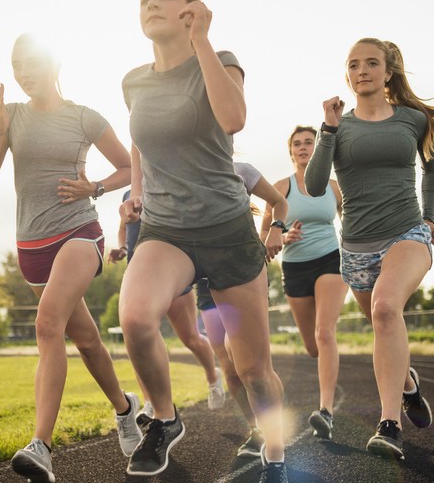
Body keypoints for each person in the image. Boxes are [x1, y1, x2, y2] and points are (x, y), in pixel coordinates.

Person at [118, 0, 290, 483]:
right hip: (167, 229)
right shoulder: (134, 81)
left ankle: (275, 456)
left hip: (228, 232)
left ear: (191, 7)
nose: (151, 4)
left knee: (253, 369)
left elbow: (234, 118)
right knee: (135, 316)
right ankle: (165, 419)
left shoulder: (220, 57)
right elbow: (140, 143)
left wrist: (202, 41)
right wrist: (137, 192)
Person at [0, 32, 142, 483]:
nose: (24, 72)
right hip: (31, 247)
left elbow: (129, 166)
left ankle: (41, 446)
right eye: (17, 65)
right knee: (86, 339)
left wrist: (97, 188)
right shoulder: (11, 117)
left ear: (53, 65)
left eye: (31, 63)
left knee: (47, 324)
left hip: (79, 233)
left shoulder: (84, 118)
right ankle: (125, 409)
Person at [305, 37, 434, 460]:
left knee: (385, 309)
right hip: (356, 247)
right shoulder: (340, 127)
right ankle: (407, 383)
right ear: (348, 75)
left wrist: (428, 219)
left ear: (387, 72)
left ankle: (389, 425)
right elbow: (316, 185)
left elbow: (432, 168)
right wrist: (328, 129)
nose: (362, 70)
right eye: (353, 64)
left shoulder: (412, 120)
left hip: (406, 233)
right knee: (383, 325)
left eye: (371, 63)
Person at [195, 161, 289, 458]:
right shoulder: (181, 173)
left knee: (254, 368)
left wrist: (276, 229)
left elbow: (279, 201)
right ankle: (256, 429)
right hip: (205, 283)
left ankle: (275, 435)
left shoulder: (240, 170)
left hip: (240, 274)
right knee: (229, 367)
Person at [262, 126, 349, 441]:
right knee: (313, 347)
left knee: (325, 333)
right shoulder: (280, 188)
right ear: (290, 152)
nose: (303, 148)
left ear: (318, 148)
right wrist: (283, 236)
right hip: (295, 268)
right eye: (297, 144)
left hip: (331, 261)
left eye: (309, 143)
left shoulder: (335, 187)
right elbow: (264, 237)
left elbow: (353, 223)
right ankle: (325, 384)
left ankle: (325, 411)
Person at [108, 189, 225, 414]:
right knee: (139, 337)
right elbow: (124, 228)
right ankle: (151, 401)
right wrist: (123, 249)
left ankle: (213, 377)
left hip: (171, 274)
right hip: (139, 277)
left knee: (190, 337)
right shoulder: (127, 195)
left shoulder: (167, 187)